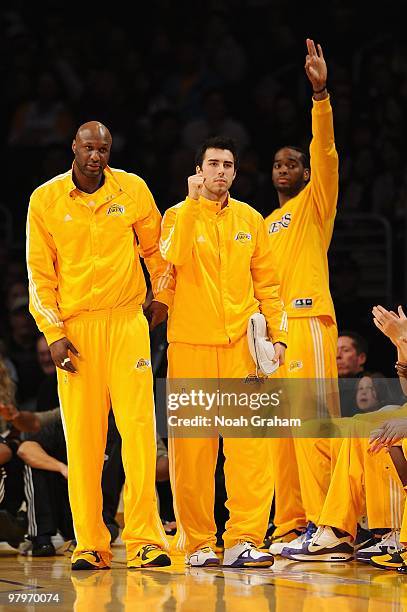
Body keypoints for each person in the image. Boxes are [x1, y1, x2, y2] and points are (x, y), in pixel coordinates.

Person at [26, 121, 174, 570]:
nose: (96, 155)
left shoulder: (132, 189)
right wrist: (52, 332)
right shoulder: (45, 199)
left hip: (127, 321)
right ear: (74, 147)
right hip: (77, 330)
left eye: (104, 149)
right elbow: (39, 273)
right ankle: (90, 541)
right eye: (89, 147)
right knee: (84, 441)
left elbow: (157, 251)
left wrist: (162, 296)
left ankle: (146, 537)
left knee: (139, 433)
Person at [160, 134, 287, 568]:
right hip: (191, 346)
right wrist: (193, 206)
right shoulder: (176, 216)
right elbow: (170, 257)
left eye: (227, 165)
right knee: (193, 454)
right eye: (212, 164)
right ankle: (197, 543)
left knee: (250, 452)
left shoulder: (251, 220)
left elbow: (269, 285)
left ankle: (244, 540)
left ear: (235, 172)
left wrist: (279, 336)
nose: (220, 172)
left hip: (242, 348)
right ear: (198, 170)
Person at [265, 39, 340, 554]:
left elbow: (326, 152)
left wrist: (320, 96)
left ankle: (328, 525)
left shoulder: (316, 204)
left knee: (313, 426)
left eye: (293, 162)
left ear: (307, 173)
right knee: (283, 439)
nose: (284, 168)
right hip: (276, 336)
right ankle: (292, 522)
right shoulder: (263, 224)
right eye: (276, 164)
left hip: (309, 322)